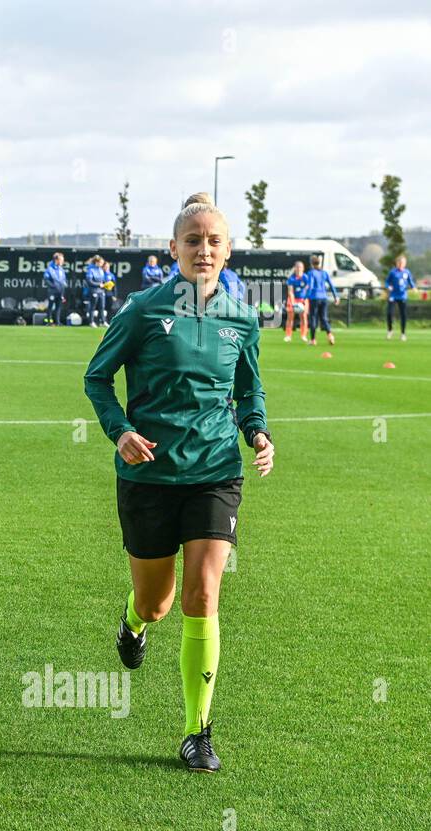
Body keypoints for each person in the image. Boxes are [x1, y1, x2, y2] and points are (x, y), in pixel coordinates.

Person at [83, 191, 274, 773]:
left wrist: (258, 431)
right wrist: (119, 432)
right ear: (173, 249)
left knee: (204, 595)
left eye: (214, 240)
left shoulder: (242, 316)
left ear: (229, 250)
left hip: (216, 471)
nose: (204, 249)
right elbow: (97, 378)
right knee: (158, 600)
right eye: (193, 240)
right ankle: (134, 622)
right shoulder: (143, 309)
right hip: (149, 475)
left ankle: (197, 732)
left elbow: (249, 387)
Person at [305, 253, 339, 346]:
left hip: (314, 298)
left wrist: (306, 297)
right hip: (324, 298)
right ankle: (330, 335)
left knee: (313, 318)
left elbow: (311, 286)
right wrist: (336, 296)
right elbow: (331, 285)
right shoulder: (324, 273)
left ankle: (313, 340)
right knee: (324, 318)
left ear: (312, 263)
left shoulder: (311, 273)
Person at [386, 254, 413, 341]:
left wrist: (413, 287)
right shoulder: (393, 272)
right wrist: (388, 286)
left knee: (403, 315)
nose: (401, 264)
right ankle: (390, 330)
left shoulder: (407, 272)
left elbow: (410, 281)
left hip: (402, 296)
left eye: (402, 263)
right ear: (397, 263)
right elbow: (387, 282)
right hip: (393, 295)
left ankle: (403, 333)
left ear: (405, 264)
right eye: (399, 263)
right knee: (389, 313)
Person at [284, 261, 310, 342]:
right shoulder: (291, 278)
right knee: (290, 317)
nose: (299, 269)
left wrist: (304, 299)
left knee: (304, 317)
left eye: (300, 267)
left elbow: (308, 289)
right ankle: (288, 336)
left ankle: (303, 335)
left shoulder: (306, 277)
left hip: (303, 299)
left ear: (303, 268)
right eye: (297, 267)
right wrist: (293, 302)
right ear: (295, 268)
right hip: (293, 299)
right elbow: (290, 291)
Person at [42, 252, 68, 327]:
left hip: (60, 291)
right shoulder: (50, 269)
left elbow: (63, 280)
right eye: (61, 260)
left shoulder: (61, 269)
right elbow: (46, 279)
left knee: (58, 307)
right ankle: (49, 321)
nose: (62, 262)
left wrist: (62, 291)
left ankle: (57, 322)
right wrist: (53, 286)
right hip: (52, 291)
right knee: (50, 307)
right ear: (56, 260)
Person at [84, 255, 106, 327]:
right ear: (97, 262)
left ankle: (102, 321)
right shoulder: (90, 270)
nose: (102, 264)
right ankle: (91, 322)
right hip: (93, 291)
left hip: (101, 291)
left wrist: (105, 284)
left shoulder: (101, 270)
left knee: (102, 307)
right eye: (101, 263)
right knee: (92, 307)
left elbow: (102, 280)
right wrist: (98, 285)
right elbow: (89, 281)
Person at [101, 259, 118, 325]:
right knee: (101, 308)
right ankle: (102, 321)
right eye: (105, 266)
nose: (107, 268)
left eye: (108, 266)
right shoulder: (101, 273)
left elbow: (114, 286)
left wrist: (114, 295)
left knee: (110, 309)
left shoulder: (111, 275)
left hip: (109, 294)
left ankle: (108, 321)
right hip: (102, 292)